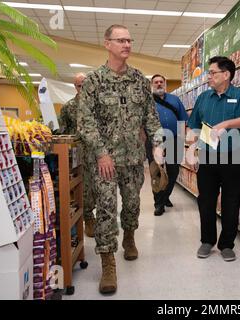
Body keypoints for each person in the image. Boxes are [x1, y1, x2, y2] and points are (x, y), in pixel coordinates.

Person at [77, 24, 163, 294]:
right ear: (107, 44)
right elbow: (85, 121)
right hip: (105, 161)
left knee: (133, 203)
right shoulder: (94, 81)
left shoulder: (139, 80)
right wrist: (101, 152)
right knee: (104, 209)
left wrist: (159, 149)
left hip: (134, 158)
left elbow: (151, 117)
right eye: (121, 40)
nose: (126, 44)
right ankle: (108, 263)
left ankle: (129, 236)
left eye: (129, 40)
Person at [187, 56, 240, 262]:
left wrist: (225, 124)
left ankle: (227, 244)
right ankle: (207, 241)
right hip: (207, 159)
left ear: (226, 75)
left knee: (231, 202)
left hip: (232, 158)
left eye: (212, 73)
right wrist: (192, 146)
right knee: (206, 201)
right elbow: (194, 125)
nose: (208, 77)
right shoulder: (203, 98)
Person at [58, 73, 97, 238]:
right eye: (80, 85)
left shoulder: (98, 106)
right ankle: (88, 218)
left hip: (97, 153)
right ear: (75, 86)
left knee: (98, 188)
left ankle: (94, 216)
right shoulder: (68, 107)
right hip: (78, 156)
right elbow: (63, 133)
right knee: (84, 189)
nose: (83, 88)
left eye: (85, 84)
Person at [145, 74, 188, 216]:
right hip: (154, 140)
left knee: (173, 170)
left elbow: (182, 120)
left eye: (161, 82)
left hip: (174, 139)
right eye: (156, 82)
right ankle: (159, 204)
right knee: (156, 172)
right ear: (152, 85)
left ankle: (165, 196)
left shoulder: (175, 100)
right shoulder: (147, 101)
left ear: (165, 84)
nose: (158, 84)